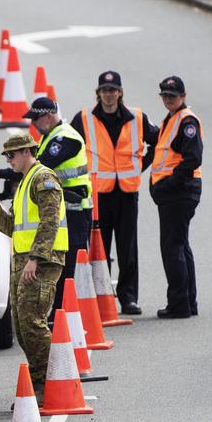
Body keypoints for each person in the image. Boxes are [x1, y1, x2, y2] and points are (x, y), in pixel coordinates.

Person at [0, 134, 66, 401]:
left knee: (33, 324)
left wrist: (36, 258)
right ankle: (45, 382)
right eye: (6, 156)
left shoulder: (43, 178)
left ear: (28, 151)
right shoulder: (24, 181)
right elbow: (13, 228)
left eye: (12, 155)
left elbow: (49, 222)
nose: (8, 161)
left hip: (40, 262)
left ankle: (49, 384)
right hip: (24, 261)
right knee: (23, 326)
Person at [0, 97, 90, 311]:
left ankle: (67, 312)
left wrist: (1, 172)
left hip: (74, 210)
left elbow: (41, 166)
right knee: (61, 268)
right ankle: (61, 311)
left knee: (69, 267)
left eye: (36, 118)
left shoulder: (65, 138)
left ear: (49, 115)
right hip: (64, 210)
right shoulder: (49, 138)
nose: (33, 123)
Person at [71, 71, 159, 315]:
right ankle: (101, 297)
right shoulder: (84, 118)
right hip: (97, 194)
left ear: (120, 92)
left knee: (127, 248)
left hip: (127, 193)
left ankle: (128, 298)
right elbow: (70, 144)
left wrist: (141, 164)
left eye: (113, 90)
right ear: (98, 93)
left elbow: (157, 140)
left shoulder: (137, 117)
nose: (108, 95)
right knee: (99, 248)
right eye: (104, 90)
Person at [150, 75, 202, 318]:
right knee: (180, 245)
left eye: (173, 96)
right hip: (175, 193)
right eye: (165, 96)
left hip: (179, 192)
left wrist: (169, 184)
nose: (169, 100)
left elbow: (192, 159)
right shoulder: (170, 120)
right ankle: (188, 302)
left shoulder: (186, 121)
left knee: (172, 247)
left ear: (183, 96)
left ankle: (179, 304)